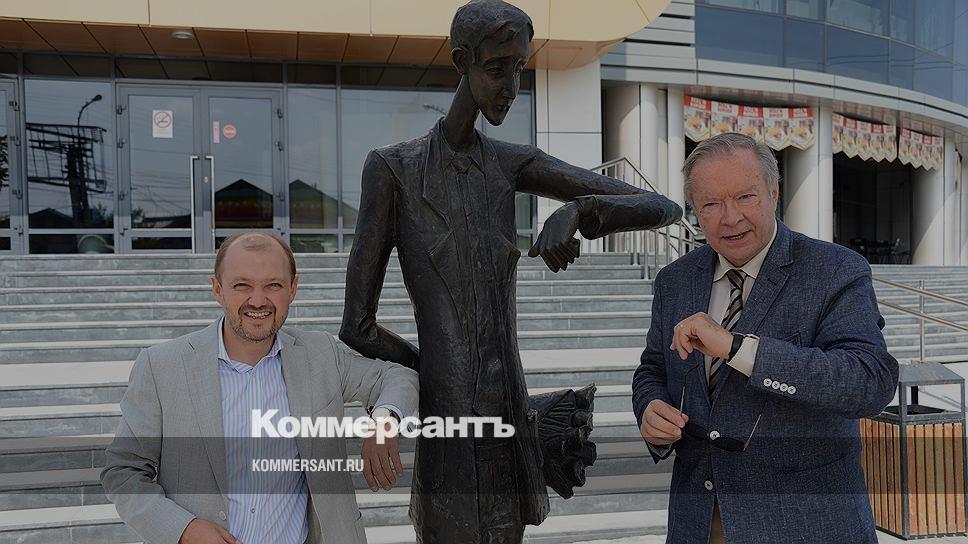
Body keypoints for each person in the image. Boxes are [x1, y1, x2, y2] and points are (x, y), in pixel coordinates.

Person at [339, 1, 682, 542]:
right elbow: (356, 325)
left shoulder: (510, 164)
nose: (511, 87)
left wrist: (579, 210)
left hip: (508, 426)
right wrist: (437, 374)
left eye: (519, 68)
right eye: (497, 68)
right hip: (449, 433)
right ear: (462, 63)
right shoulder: (393, 171)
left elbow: (662, 206)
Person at [631, 133, 898, 544]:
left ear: (774, 193)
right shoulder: (675, 281)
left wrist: (737, 349)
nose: (730, 217)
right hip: (698, 524)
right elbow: (652, 369)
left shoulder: (835, 270)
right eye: (711, 204)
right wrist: (650, 408)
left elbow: (869, 382)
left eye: (745, 197)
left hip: (807, 527)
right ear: (695, 210)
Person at [101, 232, 419, 544]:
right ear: (218, 290)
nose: (257, 300)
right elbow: (123, 471)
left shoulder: (321, 354)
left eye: (273, 285)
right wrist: (184, 529)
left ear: (292, 289)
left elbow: (396, 376)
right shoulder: (162, 367)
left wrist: (384, 421)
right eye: (242, 285)